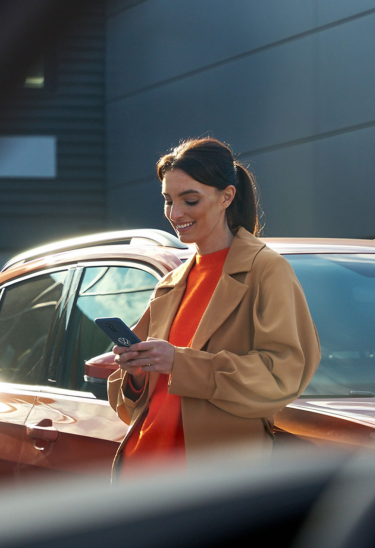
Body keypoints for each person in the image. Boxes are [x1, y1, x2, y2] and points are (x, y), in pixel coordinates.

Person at [108, 137, 320, 477]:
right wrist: (135, 372)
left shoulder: (266, 269)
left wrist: (180, 362)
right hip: (142, 471)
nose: (175, 214)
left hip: (214, 480)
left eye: (189, 200)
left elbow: (283, 373)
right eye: (168, 201)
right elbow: (130, 403)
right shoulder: (172, 282)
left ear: (227, 197)